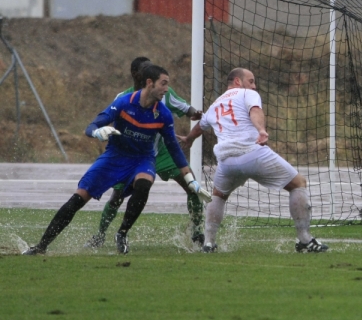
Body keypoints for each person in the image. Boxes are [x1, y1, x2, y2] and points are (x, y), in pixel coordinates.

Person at [23, 65, 206, 255]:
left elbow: (174, 148)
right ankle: (41, 246)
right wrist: (96, 131)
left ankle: (122, 233)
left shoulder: (164, 114)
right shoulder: (123, 102)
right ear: (149, 83)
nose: (167, 89)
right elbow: (93, 124)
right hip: (114, 157)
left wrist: (189, 179)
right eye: (164, 84)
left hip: (142, 159)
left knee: (144, 184)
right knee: (78, 198)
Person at [181, 68, 328, 253]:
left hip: (226, 161)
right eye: (251, 81)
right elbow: (255, 111)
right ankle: (305, 240)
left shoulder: (215, 105)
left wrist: (189, 139)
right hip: (252, 153)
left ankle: (209, 243)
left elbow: (200, 127)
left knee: (218, 195)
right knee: (298, 183)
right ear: (237, 81)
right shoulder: (247, 94)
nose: (254, 85)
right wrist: (261, 130)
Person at [85, 57, 207, 249]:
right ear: (138, 75)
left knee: (192, 187)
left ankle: (197, 233)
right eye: (147, 69)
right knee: (117, 196)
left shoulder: (164, 93)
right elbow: (113, 122)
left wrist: (198, 114)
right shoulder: (123, 98)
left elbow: (185, 108)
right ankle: (100, 235)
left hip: (163, 152)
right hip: (134, 155)